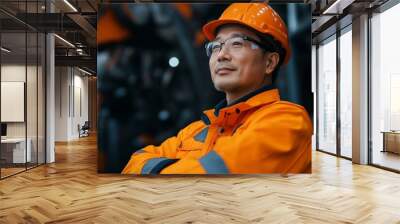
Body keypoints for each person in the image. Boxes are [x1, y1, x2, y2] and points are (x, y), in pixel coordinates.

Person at [122, 3, 312, 174]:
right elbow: (135, 161)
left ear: (270, 62)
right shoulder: (195, 130)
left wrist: (161, 171)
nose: (221, 55)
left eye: (236, 44)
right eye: (215, 46)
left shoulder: (288, 122)